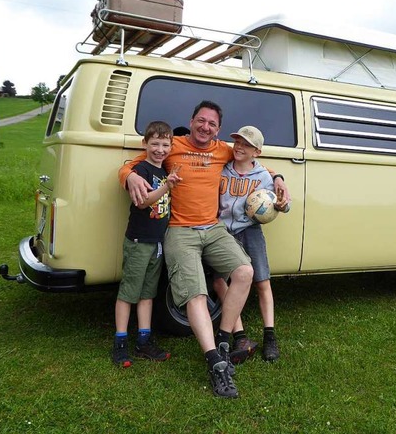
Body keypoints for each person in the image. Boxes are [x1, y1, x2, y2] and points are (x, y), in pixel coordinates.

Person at [118, 100, 289, 398]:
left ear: (218, 129)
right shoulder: (174, 146)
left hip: (213, 228)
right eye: (201, 120)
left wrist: (277, 178)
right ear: (192, 120)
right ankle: (215, 362)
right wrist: (129, 176)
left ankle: (223, 340)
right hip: (180, 232)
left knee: (245, 271)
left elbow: (254, 161)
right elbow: (135, 164)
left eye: (211, 124)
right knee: (196, 293)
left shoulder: (223, 149)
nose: (205, 127)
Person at [215, 126, 290, 362]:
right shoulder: (223, 170)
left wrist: (281, 204)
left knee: (262, 282)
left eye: (246, 145)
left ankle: (270, 337)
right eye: (237, 142)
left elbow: (283, 203)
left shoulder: (263, 177)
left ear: (256, 151)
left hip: (251, 231)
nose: (239, 147)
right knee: (220, 280)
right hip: (224, 232)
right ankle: (240, 334)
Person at [112, 121, 181, 368]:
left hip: (157, 243)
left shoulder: (164, 172)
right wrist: (166, 187)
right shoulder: (140, 170)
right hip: (139, 241)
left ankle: (144, 340)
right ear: (145, 144)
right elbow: (142, 202)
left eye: (165, 145)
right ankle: (120, 343)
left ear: (171, 146)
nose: (160, 149)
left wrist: (167, 183)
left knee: (148, 294)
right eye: (155, 144)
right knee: (129, 292)